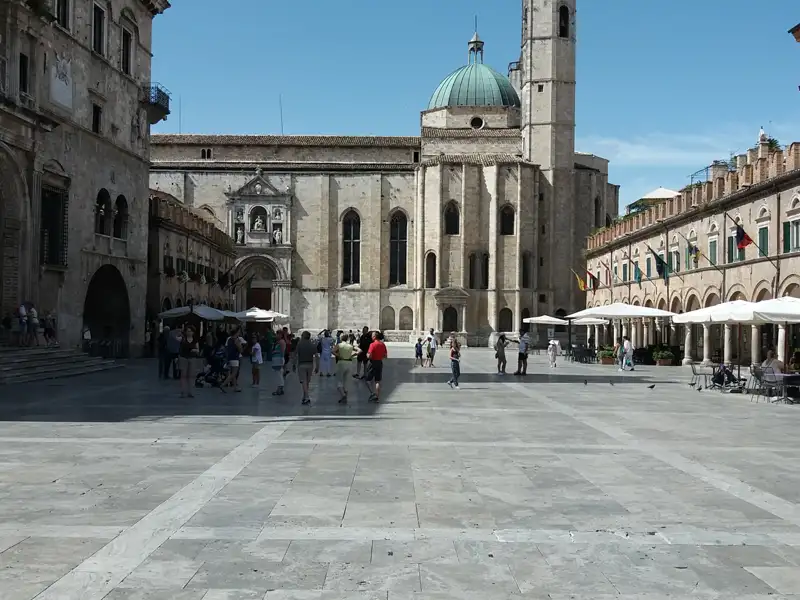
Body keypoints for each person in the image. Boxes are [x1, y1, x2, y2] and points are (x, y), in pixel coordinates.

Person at [294, 331, 318, 404]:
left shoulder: (299, 344)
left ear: (303, 336)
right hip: (310, 364)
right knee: (307, 381)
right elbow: (317, 356)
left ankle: (307, 397)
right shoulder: (312, 345)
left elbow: (295, 354)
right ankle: (304, 396)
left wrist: (293, 364)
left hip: (302, 365)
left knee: (303, 381)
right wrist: (317, 366)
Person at [364, 331, 387, 402]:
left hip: (372, 362)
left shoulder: (372, 344)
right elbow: (385, 356)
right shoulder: (383, 344)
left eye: (372, 336)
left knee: (367, 380)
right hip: (379, 362)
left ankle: (372, 393)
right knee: (377, 381)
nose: (371, 337)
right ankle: (377, 397)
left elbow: (369, 355)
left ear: (374, 337)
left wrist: (367, 355)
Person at [334, 334, 357, 403]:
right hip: (349, 363)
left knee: (339, 380)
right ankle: (344, 398)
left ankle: (343, 395)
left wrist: (338, 355)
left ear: (341, 338)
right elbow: (359, 350)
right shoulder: (350, 346)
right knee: (346, 381)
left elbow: (332, 351)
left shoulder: (339, 345)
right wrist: (352, 355)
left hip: (341, 362)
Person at [220, 327, 244, 393]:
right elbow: (240, 350)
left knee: (232, 372)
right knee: (234, 373)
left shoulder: (229, 339)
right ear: (236, 333)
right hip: (235, 358)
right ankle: (223, 384)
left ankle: (235, 387)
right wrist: (241, 347)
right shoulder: (236, 340)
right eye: (238, 332)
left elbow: (227, 348)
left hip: (230, 358)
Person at [178, 325, 200, 398]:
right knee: (183, 375)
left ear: (193, 332)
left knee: (191, 376)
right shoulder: (183, 339)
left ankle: (190, 392)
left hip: (192, 358)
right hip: (183, 358)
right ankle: (183, 391)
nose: (189, 332)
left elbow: (198, 350)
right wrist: (180, 332)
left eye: (190, 331)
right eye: (187, 331)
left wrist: (195, 350)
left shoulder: (195, 340)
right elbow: (176, 338)